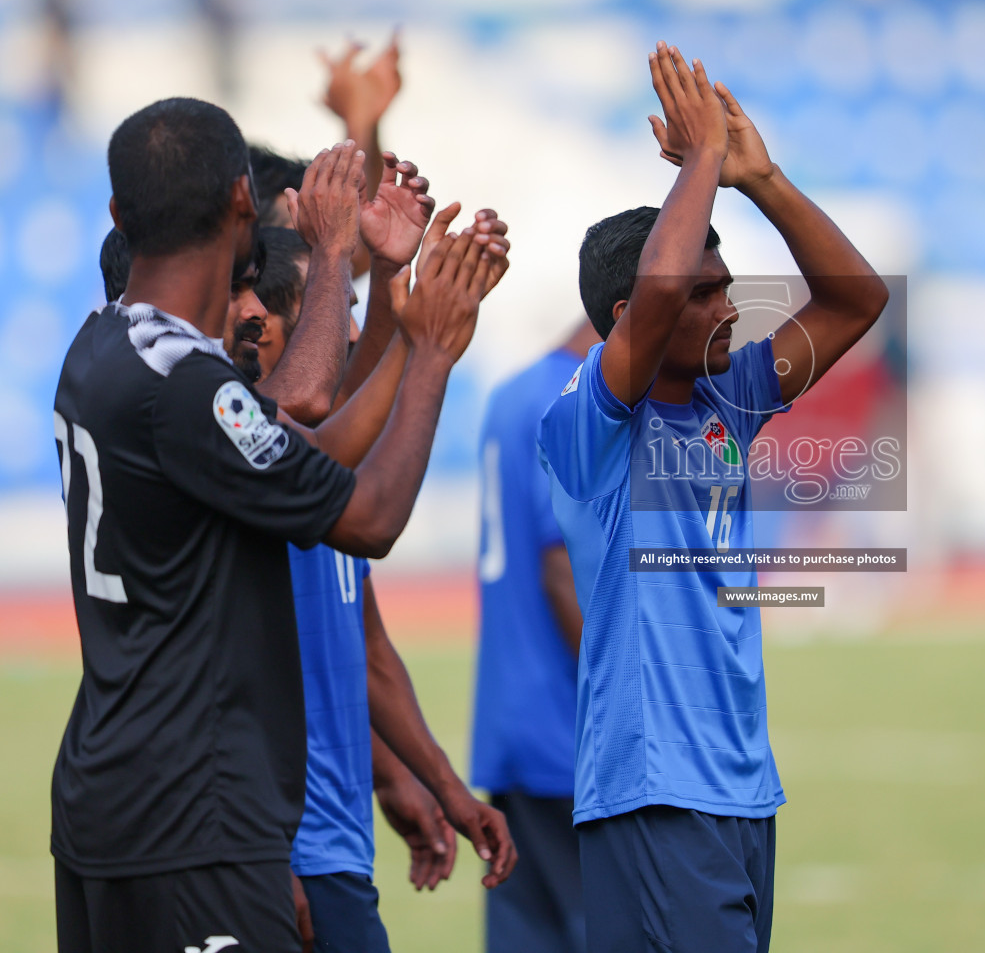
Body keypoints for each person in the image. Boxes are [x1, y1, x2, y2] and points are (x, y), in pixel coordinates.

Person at [51, 97, 513, 953]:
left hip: (105, 804)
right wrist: (432, 351)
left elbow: (311, 449)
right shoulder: (186, 386)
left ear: (117, 213)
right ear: (241, 202)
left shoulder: (96, 349)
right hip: (193, 819)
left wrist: (394, 322)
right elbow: (366, 514)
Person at [538, 42, 888, 953]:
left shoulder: (732, 395)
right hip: (655, 793)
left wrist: (758, 178)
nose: (731, 307)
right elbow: (654, 291)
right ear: (631, 324)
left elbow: (853, 301)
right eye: (706, 294)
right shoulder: (589, 427)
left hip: (741, 790)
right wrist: (697, 163)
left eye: (728, 286)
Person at [253, 187, 517, 951]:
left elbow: (368, 654)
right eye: (332, 310)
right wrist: (424, 343)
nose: (352, 327)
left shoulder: (315, 469)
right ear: (263, 327)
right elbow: (373, 516)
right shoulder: (258, 471)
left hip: (336, 845)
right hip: (286, 854)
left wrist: (439, 785)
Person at [475, 319, 602, 953]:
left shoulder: (513, 391)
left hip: (514, 719)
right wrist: (625, 692)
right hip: (572, 728)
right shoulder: (576, 396)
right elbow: (561, 569)